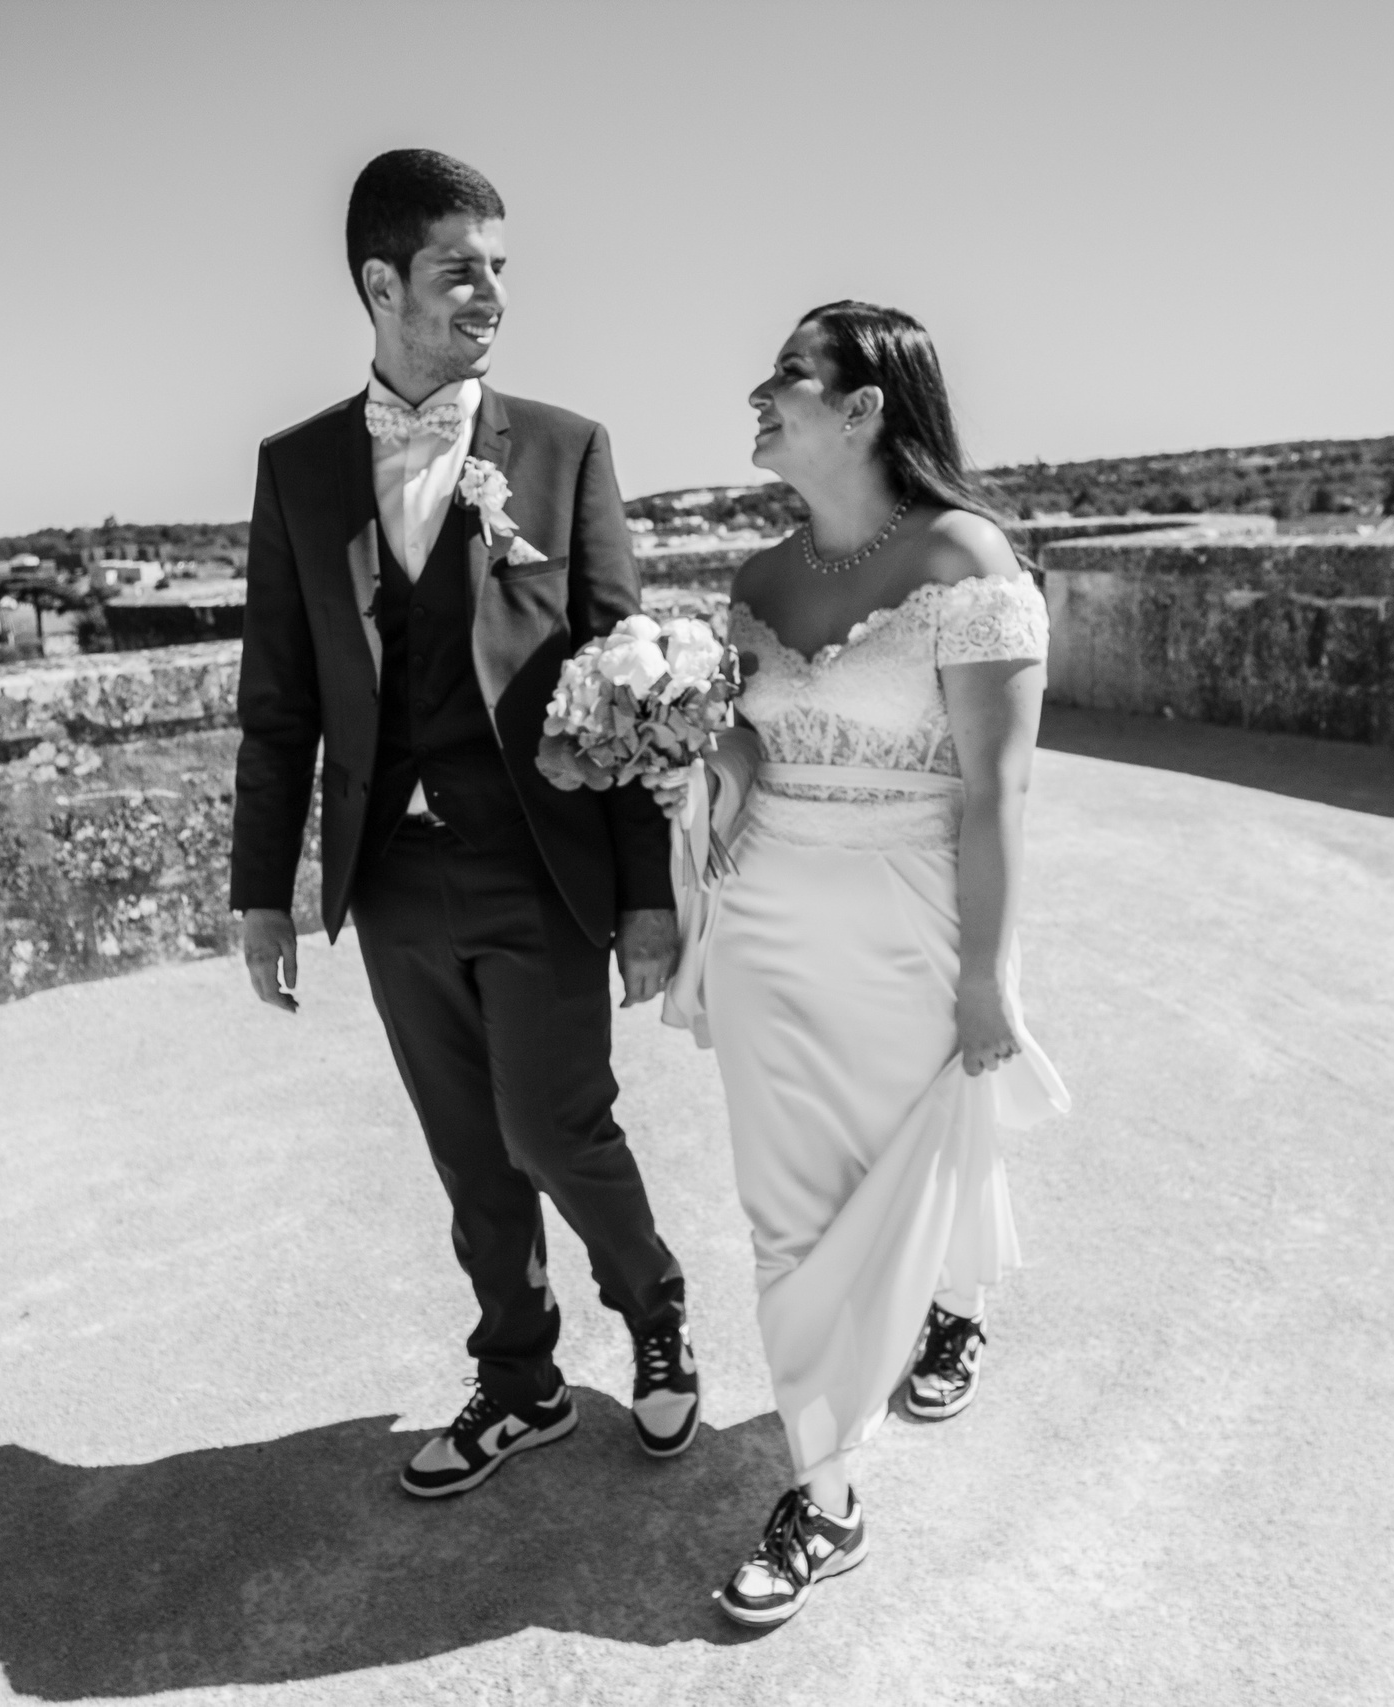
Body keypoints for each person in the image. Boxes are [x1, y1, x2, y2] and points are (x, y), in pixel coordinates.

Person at [229, 150, 698, 1499]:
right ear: (382, 284)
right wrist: (266, 893)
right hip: (392, 876)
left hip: (535, 861)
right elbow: (280, 703)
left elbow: (629, 681)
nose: (490, 290)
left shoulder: (565, 449)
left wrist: (649, 896)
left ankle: (656, 1320)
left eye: (500, 264)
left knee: (555, 1125)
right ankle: (519, 1378)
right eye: (459, 268)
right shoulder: (299, 469)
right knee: (466, 1148)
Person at [656, 301, 1070, 1626]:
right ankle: (825, 1494)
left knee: (915, 1161)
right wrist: (676, 721)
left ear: (863, 408)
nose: (757, 395)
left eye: (788, 376)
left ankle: (950, 1304)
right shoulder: (756, 582)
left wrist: (983, 976)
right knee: (788, 1211)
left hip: (910, 920)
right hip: (768, 919)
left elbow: (994, 793)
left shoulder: (966, 556)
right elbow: (754, 755)